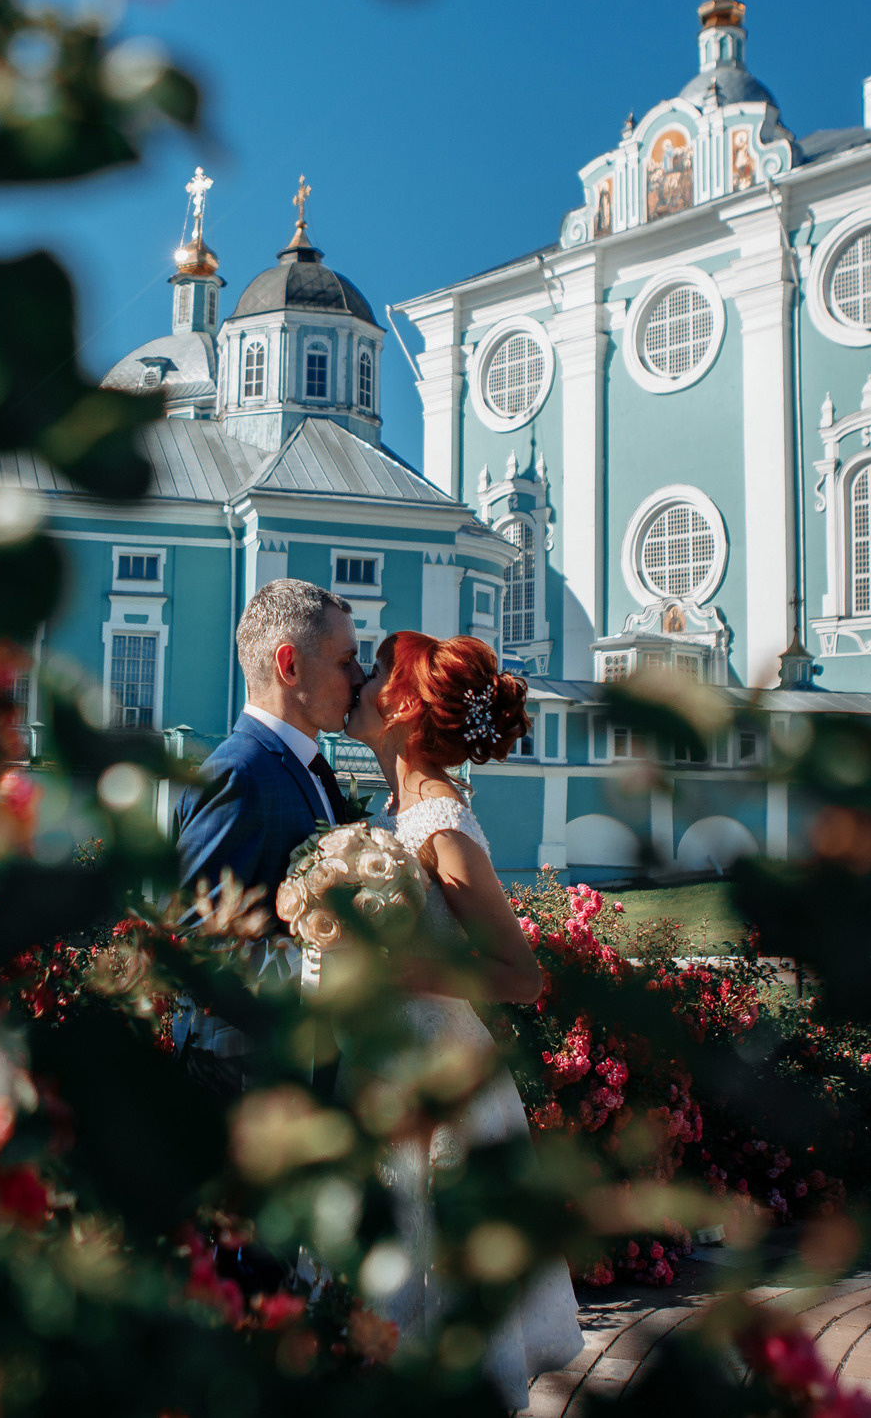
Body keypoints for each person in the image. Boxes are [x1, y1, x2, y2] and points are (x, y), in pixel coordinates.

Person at [343, 629, 583, 1412]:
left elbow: (521, 974)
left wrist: (406, 970)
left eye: (374, 668)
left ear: (404, 704)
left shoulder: (439, 819)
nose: (358, 677)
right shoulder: (399, 807)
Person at [172, 579, 369, 1094]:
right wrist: (339, 968)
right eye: (346, 660)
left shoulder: (310, 768)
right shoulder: (238, 775)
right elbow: (202, 947)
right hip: (245, 1086)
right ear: (290, 666)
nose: (359, 676)